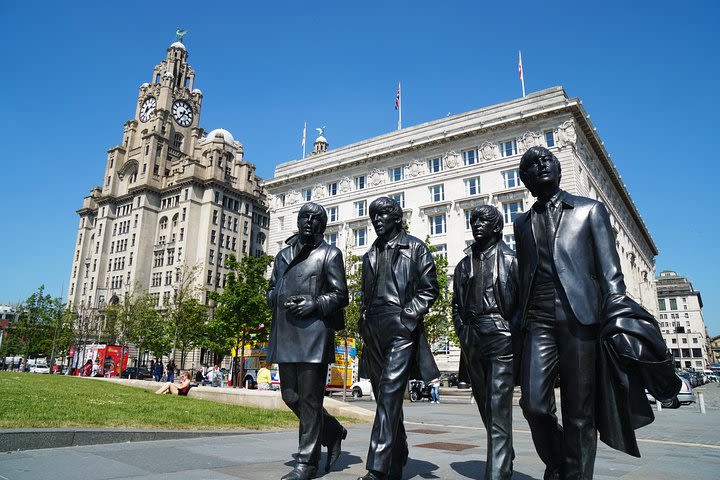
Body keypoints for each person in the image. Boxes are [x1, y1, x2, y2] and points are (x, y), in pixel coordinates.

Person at [513, 146, 627, 480]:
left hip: (581, 317)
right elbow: (524, 275)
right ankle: (561, 461)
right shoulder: (521, 224)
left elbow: (610, 272)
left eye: (547, 159)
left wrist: (616, 313)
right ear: (526, 179)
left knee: (579, 413)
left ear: (558, 168)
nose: (542, 164)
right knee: (533, 404)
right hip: (538, 318)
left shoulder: (590, 210)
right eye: (532, 164)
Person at [358, 196, 439, 480]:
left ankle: (378, 469)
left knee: (391, 393)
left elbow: (430, 288)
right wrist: (363, 321)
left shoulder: (415, 247)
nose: (377, 220)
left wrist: (408, 317)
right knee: (384, 397)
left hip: (401, 327)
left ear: (396, 217)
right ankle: (398, 448)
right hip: (374, 329)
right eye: (373, 216)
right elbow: (364, 295)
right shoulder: (370, 253)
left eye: (382, 215)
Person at [267, 202, 349, 480]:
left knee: (311, 400)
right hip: (286, 331)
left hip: (314, 333)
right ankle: (333, 431)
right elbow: (271, 289)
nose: (309, 222)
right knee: (290, 397)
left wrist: (314, 303)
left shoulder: (330, 254)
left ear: (323, 226)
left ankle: (307, 463)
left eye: (316, 219)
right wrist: (276, 297)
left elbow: (341, 295)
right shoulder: (282, 255)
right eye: (305, 217)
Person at [453, 205, 519, 480]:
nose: (477, 224)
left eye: (484, 220)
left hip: (501, 335)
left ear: (497, 227)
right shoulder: (463, 264)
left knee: (498, 403)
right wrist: (462, 331)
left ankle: (498, 472)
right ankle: (505, 452)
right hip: (472, 336)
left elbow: (523, 304)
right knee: (484, 403)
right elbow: (456, 304)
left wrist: (510, 331)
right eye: (474, 220)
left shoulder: (513, 260)